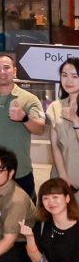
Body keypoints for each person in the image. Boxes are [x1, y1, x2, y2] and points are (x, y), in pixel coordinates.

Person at [0, 54, 45, 197]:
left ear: (15, 71)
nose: (2, 72)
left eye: (6, 68)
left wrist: (24, 118)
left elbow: (40, 129)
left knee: (24, 215)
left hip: (19, 170)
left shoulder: (30, 99)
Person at [46, 57, 79, 190]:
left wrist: (75, 120)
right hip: (60, 174)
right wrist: (63, 176)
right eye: (64, 75)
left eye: (75, 76)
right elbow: (55, 145)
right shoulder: (55, 106)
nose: (68, 81)